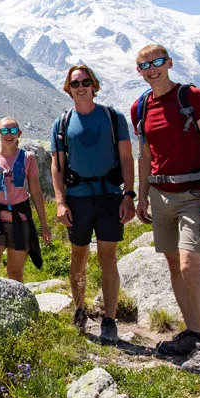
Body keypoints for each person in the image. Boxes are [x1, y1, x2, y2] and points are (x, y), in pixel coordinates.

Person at [130, 44, 200, 374]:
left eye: (157, 61)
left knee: (190, 265)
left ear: (169, 63)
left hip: (194, 193)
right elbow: (144, 156)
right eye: (145, 64)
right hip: (161, 193)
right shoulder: (140, 107)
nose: (152, 68)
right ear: (139, 70)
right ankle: (193, 333)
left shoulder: (192, 97)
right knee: (174, 263)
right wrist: (141, 197)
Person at [50, 64, 136, 342]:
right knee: (79, 256)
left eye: (86, 81)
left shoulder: (113, 117)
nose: (81, 86)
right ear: (69, 88)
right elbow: (57, 166)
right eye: (76, 83)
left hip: (110, 195)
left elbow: (126, 158)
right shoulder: (62, 123)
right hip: (78, 198)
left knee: (107, 257)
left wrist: (129, 195)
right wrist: (60, 201)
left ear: (94, 85)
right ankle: (79, 310)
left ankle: (109, 319)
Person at [0, 117, 50, 284]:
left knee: (16, 273)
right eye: (4, 131)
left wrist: (44, 224)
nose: (8, 135)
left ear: (19, 134)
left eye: (12, 131)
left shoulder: (28, 158)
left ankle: (17, 309)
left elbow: (36, 192)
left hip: (20, 221)